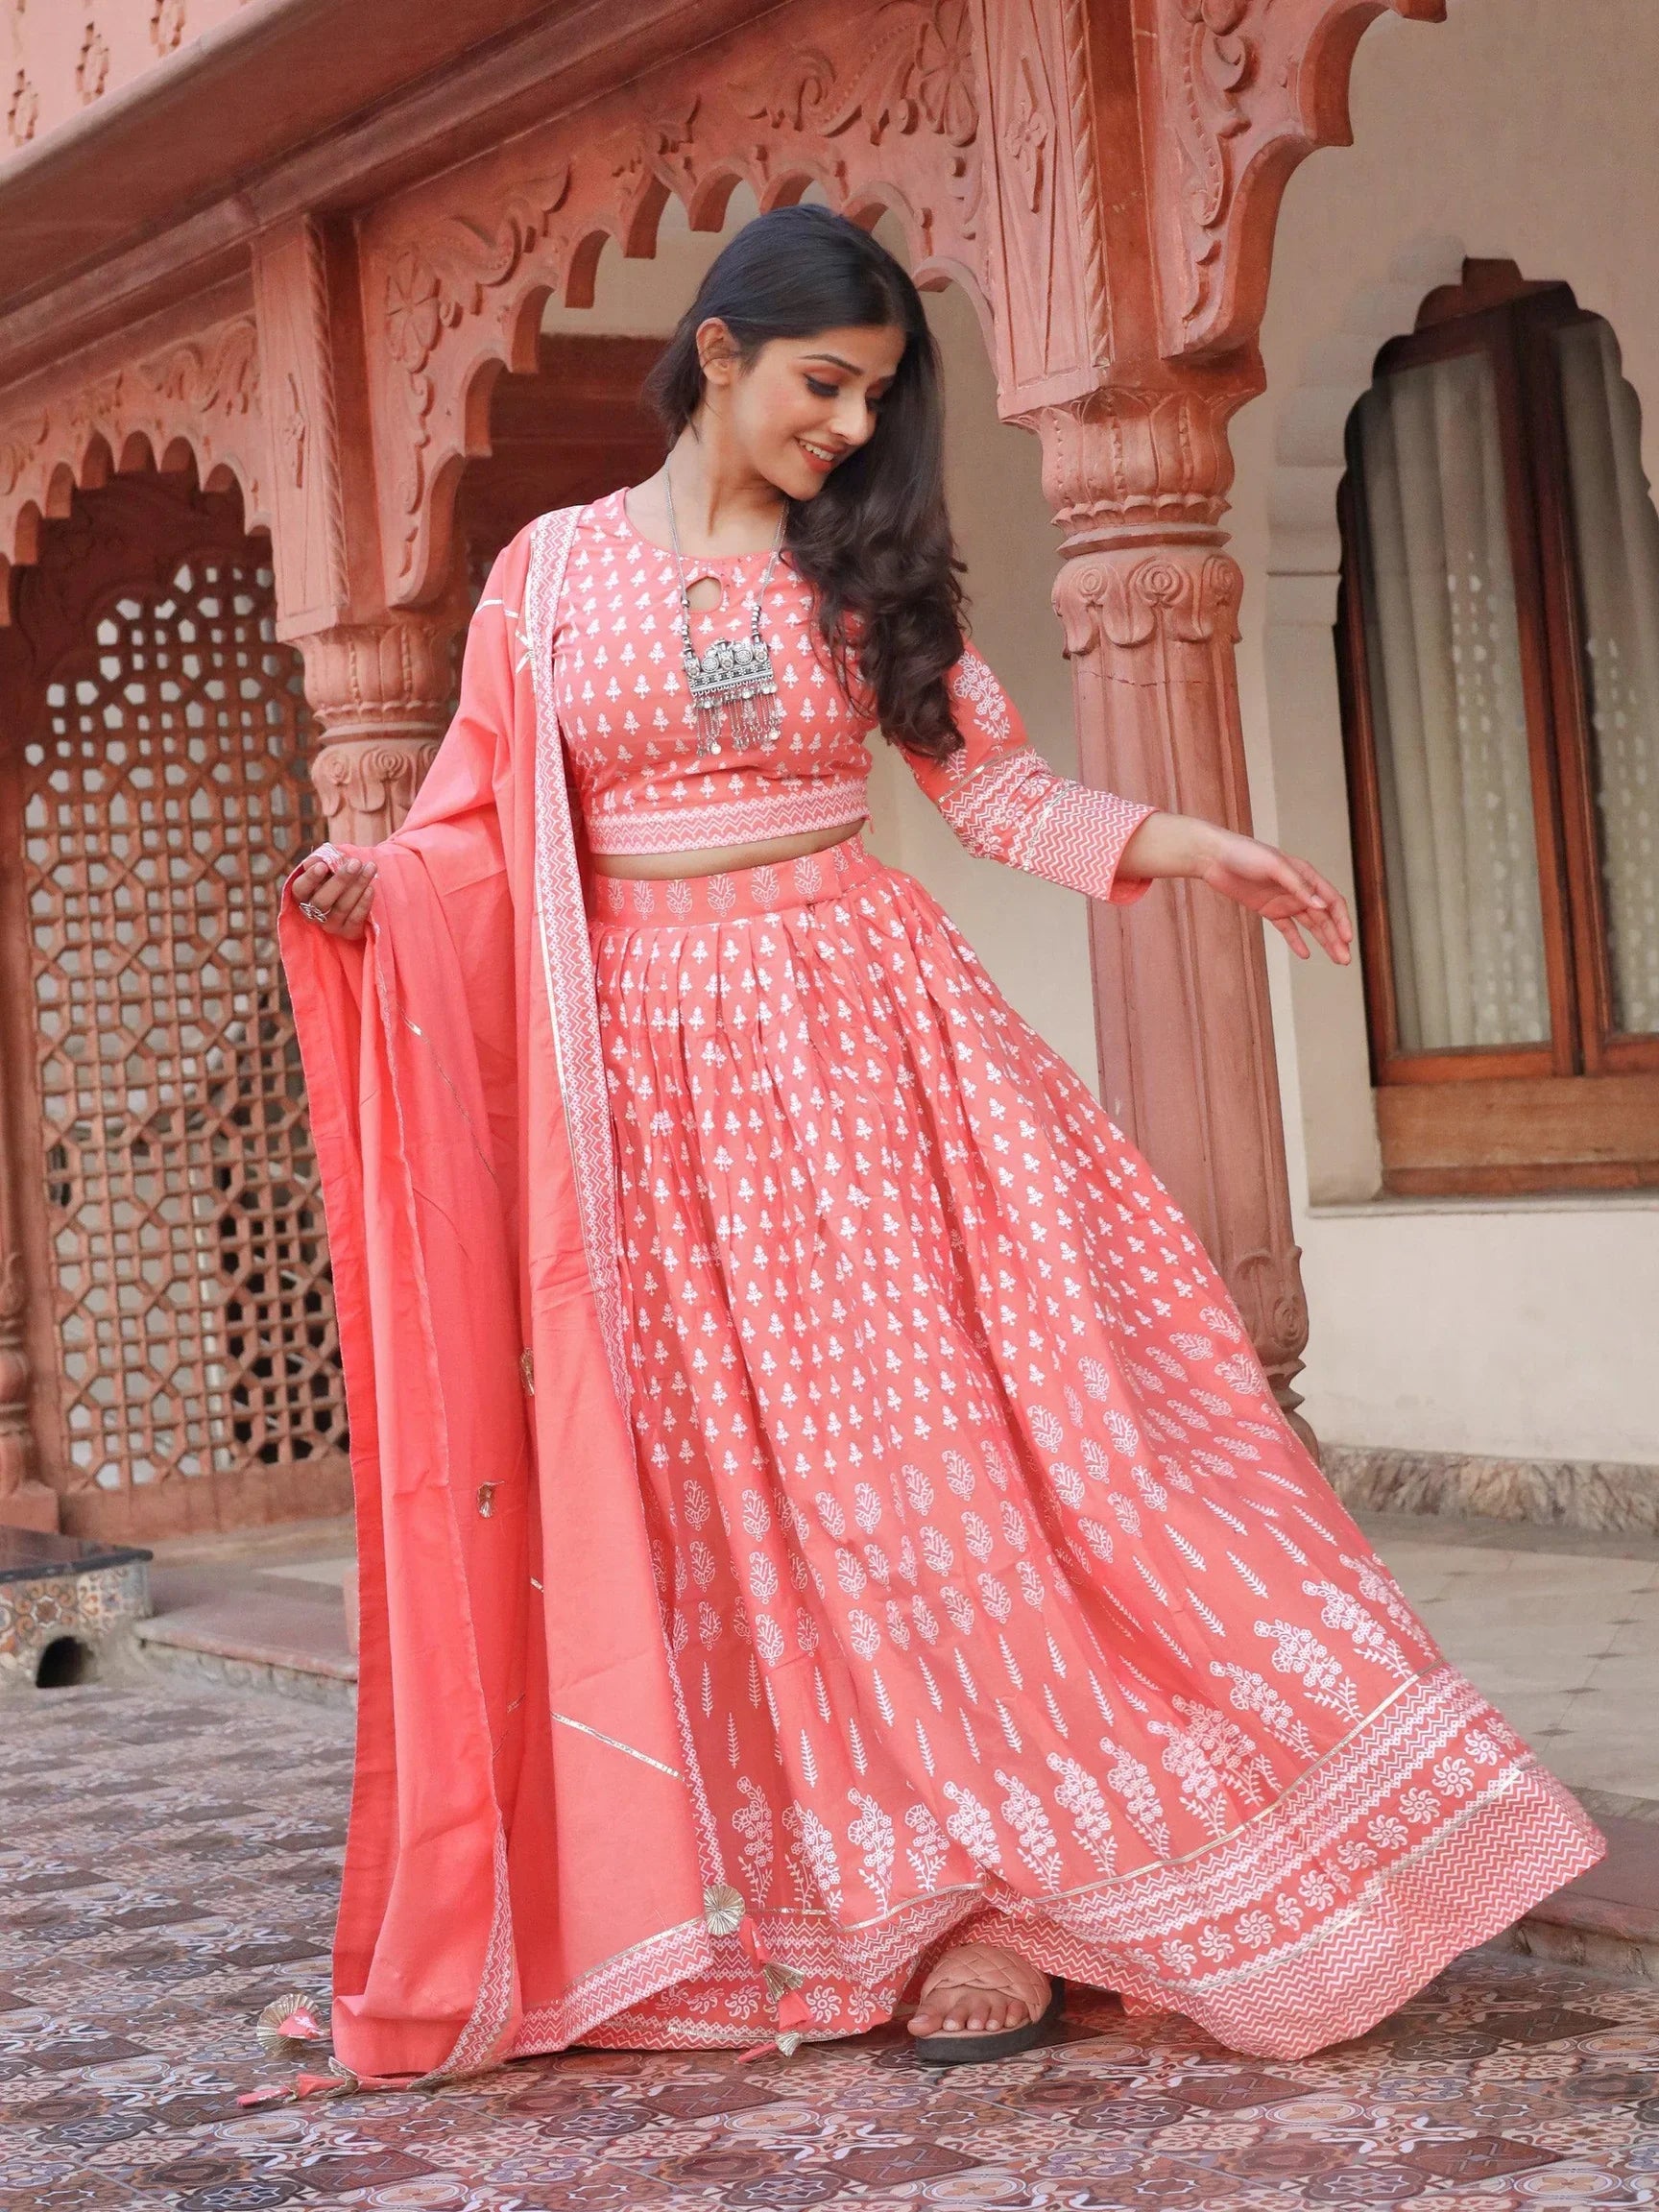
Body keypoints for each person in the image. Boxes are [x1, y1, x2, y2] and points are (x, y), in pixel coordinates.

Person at [281, 205, 1599, 2082]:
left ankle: (1008, 1896)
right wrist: (377, 890)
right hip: (651, 1111)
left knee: (944, 1484)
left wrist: (1190, 846)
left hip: (871, 1068)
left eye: (877, 399)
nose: (847, 428)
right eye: (826, 386)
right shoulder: (548, 584)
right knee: (736, 1518)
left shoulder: (865, 563)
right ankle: (835, 1898)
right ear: (720, 353)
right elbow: (478, 832)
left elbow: (996, 784)